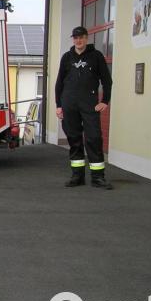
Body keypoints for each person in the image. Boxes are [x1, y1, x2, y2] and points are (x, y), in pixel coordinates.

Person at [54, 26, 114, 189]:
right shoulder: (67, 57)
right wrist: (59, 105)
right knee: (74, 139)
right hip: (69, 104)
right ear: (73, 39)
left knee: (93, 138)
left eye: (81, 37)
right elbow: (59, 83)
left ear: (87, 38)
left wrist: (105, 101)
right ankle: (77, 176)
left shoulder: (96, 56)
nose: (78, 40)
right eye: (75, 38)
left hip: (90, 105)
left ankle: (98, 178)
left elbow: (107, 81)